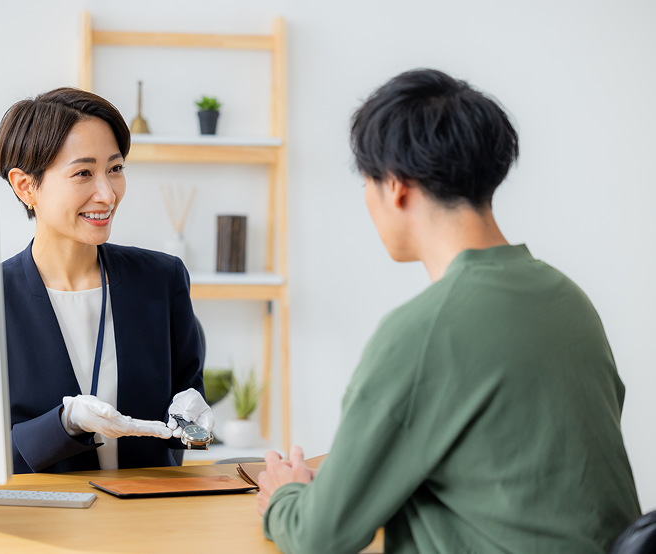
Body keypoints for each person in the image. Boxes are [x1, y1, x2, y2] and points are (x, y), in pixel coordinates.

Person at [257, 69, 641, 553]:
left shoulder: (423, 331)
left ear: (395, 185)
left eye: (366, 181)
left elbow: (320, 536)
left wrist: (283, 496)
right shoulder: (567, 299)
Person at [0, 88, 213, 474]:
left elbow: (186, 391)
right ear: (26, 186)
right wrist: (65, 423)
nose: (107, 193)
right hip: (42, 523)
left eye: (115, 169)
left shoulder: (162, 281)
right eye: (83, 172)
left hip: (149, 518)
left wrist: (190, 410)